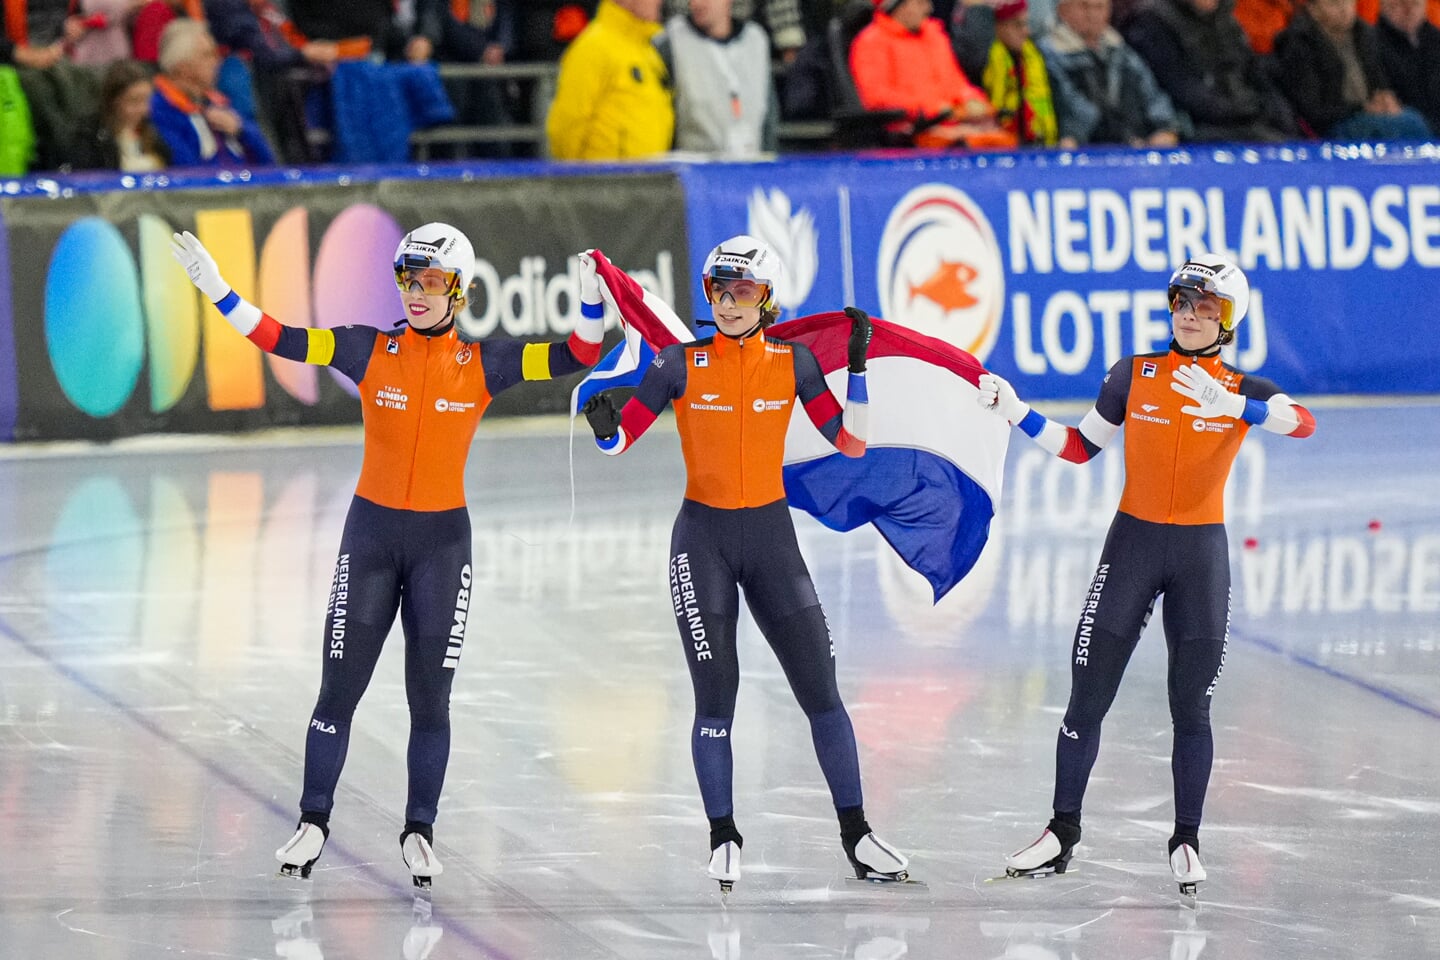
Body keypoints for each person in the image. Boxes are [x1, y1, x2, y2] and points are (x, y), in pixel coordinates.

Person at [169, 224, 605, 887]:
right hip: (370, 539)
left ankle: (419, 829)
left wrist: (594, 303)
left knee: (431, 701)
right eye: (409, 280)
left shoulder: (485, 362)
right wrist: (221, 293)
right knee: (337, 691)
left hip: (441, 548)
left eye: (432, 282)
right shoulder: (367, 348)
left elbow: (579, 352)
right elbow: (283, 339)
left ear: (461, 291)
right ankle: (313, 820)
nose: (418, 294)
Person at [579, 236, 911, 893]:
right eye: (718, 291)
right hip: (700, 542)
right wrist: (603, 423)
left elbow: (851, 441)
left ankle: (857, 834)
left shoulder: (793, 366)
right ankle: (723, 833)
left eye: (744, 292)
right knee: (715, 701)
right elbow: (621, 443)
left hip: (770, 543)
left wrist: (862, 369)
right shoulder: (677, 364)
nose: (728, 304)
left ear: (767, 299)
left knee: (822, 691)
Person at [981, 258, 1316, 896]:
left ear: (1229, 319)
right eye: (1180, 302)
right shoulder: (1133, 374)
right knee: (1087, 694)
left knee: (1191, 706)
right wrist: (1017, 412)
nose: (1189, 314)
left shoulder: (1248, 387)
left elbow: (1305, 422)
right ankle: (1061, 831)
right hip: (1131, 546)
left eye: (1205, 305)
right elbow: (1080, 447)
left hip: (1199, 555)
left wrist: (1237, 405)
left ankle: (1186, 839)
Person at [1125, 0, 1297, 142]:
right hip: (1193, 126)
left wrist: (1275, 113)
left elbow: (1256, 74)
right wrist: (1243, 110)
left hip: (1244, 118)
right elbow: (1180, 87)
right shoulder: (1153, 22)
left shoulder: (1226, 20)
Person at [850, 0, 1010, 147]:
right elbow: (876, 98)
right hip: (909, 132)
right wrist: (933, 109)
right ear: (897, 6)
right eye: (921, 2)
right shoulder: (871, 42)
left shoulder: (935, 36)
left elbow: (956, 83)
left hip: (950, 124)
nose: (929, 8)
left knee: (1001, 139)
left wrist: (972, 100)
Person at [1275, 0, 1433, 140]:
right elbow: (1312, 109)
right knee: (1393, 128)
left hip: (1368, 114)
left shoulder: (1365, 35)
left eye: (1349, 2)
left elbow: (1379, 81)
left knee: (1414, 120)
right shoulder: (1298, 44)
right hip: (1332, 124)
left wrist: (1385, 98)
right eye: (1334, 3)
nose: (1344, 9)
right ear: (1313, 10)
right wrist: (1362, 107)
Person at [1039, 0, 1180, 148]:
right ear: (1063, 11)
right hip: (1085, 145)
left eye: (1100, 7)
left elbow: (1152, 96)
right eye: (1084, 6)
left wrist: (1165, 128)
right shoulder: (1049, 54)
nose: (1093, 14)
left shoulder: (1122, 51)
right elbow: (1074, 110)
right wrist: (1124, 138)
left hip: (1133, 146)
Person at [545, 0, 673, 160]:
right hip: (604, 180)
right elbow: (566, 126)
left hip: (647, 177)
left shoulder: (646, 51)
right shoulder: (593, 48)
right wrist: (577, 181)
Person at [659, 0, 777, 156]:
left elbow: (769, 115)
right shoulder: (671, 40)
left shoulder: (755, 40)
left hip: (750, 168)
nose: (698, 4)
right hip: (693, 170)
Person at [150, 18, 275, 165]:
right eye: (207, 55)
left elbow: (268, 161)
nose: (217, 61)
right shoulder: (159, 109)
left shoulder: (216, 102)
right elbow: (186, 172)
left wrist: (241, 130)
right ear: (182, 66)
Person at [951, 0, 1059, 146]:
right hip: (992, 145)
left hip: (1037, 144)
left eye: (1026, 24)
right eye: (1018, 25)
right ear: (998, 26)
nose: (1026, 31)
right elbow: (975, 47)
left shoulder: (1033, 55)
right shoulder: (984, 59)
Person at [78, 57, 170, 170]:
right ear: (113, 101)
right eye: (134, 101)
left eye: (147, 100)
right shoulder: (92, 139)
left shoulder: (152, 133)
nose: (144, 109)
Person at [1375, 0, 1440, 134]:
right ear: (1383, 6)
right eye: (1401, 4)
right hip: (1403, 120)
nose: (1409, 11)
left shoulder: (1435, 39)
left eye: (1415, 4)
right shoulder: (1371, 43)